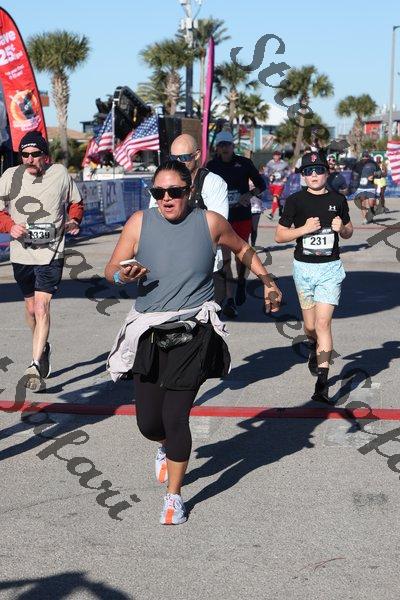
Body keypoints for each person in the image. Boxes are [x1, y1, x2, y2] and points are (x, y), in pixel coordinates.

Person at [105, 160, 282, 525]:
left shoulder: (209, 223)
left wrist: (268, 281)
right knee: (149, 424)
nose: (166, 199)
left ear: (189, 192)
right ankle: (164, 447)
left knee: (175, 417)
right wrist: (123, 275)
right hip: (150, 331)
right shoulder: (139, 222)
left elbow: (243, 249)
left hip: (194, 330)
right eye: (158, 192)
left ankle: (174, 497)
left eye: (174, 191)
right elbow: (111, 270)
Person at [0, 131, 83, 391]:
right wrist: (10, 226)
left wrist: (74, 220)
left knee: (41, 307)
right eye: (24, 154)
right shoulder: (10, 176)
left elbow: (76, 203)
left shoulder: (60, 174)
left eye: (35, 154)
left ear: (45, 156)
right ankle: (43, 346)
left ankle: (34, 366)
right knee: (30, 310)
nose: (29, 159)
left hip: (51, 252)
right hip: (21, 254)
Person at [275, 150, 353, 403]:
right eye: (308, 171)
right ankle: (312, 347)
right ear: (303, 176)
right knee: (310, 327)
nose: (314, 175)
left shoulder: (338, 200)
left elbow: (349, 231)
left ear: (327, 173)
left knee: (322, 324)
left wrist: (343, 229)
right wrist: (304, 229)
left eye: (318, 170)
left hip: (330, 269)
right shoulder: (295, 201)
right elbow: (279, 235)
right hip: (304, 269)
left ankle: (322, 383)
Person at [148, 133, 228, 305]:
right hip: (168, 266)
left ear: (197, 155)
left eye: (184, 157)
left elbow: (218, 228)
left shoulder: (213, 183)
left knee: (207, 319)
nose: (178, 162)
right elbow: (153, 221)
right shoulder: (161, 182)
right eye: (173, 158)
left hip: (205, 268)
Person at [207, 131, 266, 317]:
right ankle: (230, 299)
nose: (225, 148)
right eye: (221, 145)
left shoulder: (244, 163)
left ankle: (241, 281)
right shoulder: (211, 166)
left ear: (233, 146)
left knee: (240, 257)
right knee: (225, 260)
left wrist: (249, 195)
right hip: (222, 218)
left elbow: (261, 185)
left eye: (228, 144)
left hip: (241, 216)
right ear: (217, 147)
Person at [351, 150, 381, 224]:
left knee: (371, 203)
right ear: (362, 157)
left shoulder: (373, 163)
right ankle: (365, 219)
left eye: (366, 156)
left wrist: (373, 176)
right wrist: (356, 179)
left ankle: (371, 213)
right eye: (364, 157)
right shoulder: (358, 164)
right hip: (361, 187)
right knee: (363, 203)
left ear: (369, 157)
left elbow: (380, 173)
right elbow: (354, 175)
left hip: (370, 186)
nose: (365, 158)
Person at [265, 150, 289, 220]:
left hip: (280, 184)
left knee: (275, 197)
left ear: (280, 156)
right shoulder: (270, 163)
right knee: (275, 198)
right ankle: (280, 207)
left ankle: (272, 214)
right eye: (274, 156)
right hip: (272, 183)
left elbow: (289, 171)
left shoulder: (284, 163)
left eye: (276, 156)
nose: (275, 157)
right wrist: (269, 176)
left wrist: (286, 177)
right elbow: (266, 171)